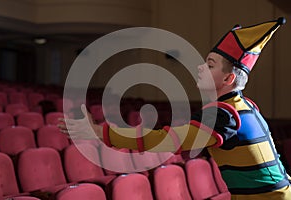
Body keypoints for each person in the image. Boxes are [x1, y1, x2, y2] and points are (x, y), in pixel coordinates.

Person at [59, 17, 291, 199]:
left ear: (228, 79)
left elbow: (164, 140)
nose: (201, 67)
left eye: (210, 65)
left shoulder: (224, 116)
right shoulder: (245, 106)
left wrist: (101, 132)